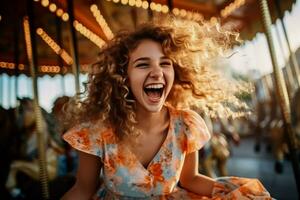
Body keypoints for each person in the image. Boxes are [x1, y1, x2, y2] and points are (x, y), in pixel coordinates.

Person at [61, 17, 271, 199]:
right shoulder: (98, 132)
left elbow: (190, 179)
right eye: (143, 64)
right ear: (123, 77)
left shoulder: (186, 125)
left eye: (165, 63)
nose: (156, 72)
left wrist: (231, 190)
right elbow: (82, 190)